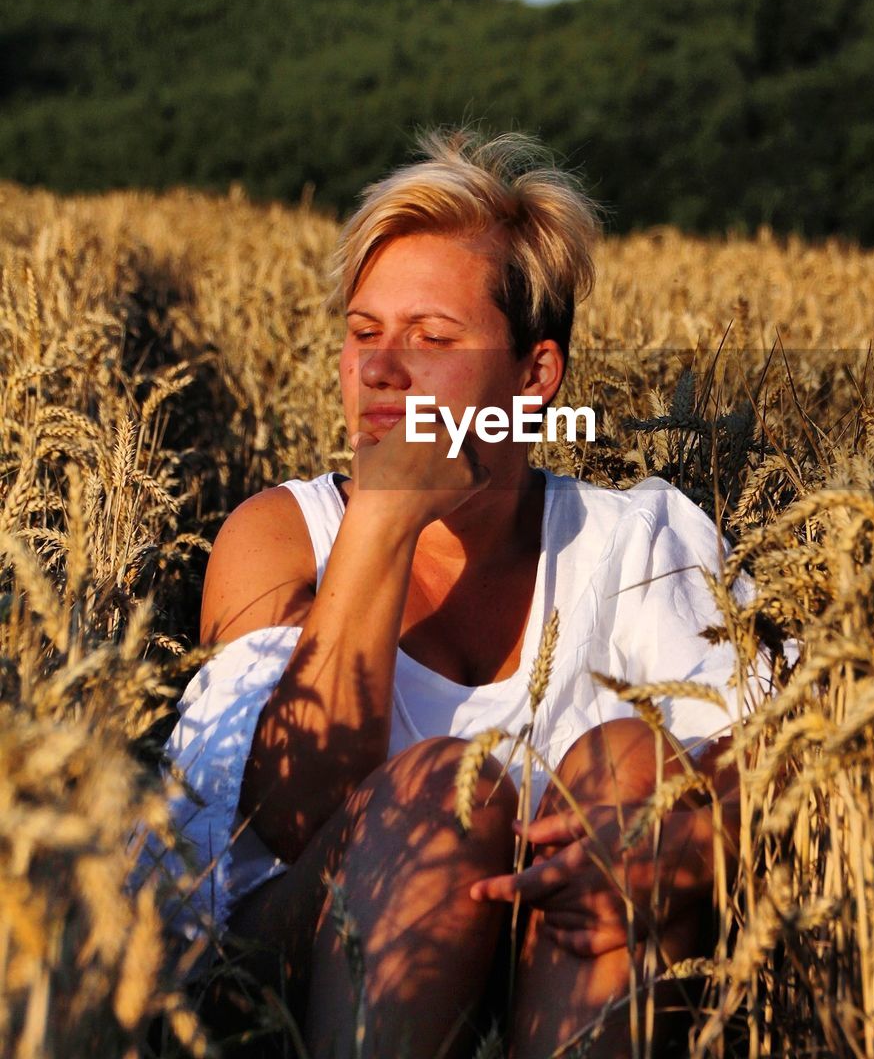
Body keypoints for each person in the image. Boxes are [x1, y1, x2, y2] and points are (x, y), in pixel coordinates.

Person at [141, 127, 761, 1059]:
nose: (381, 367)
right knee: (440, 799)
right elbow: (291, 815)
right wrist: (382, 526)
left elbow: (790, 751)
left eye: (431, 338)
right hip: (282, 972)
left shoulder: (636, 542)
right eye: (362, 334)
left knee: (637, 777)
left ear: (534, 377)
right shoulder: (281, 538)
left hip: (570, 964)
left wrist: (686, 837)